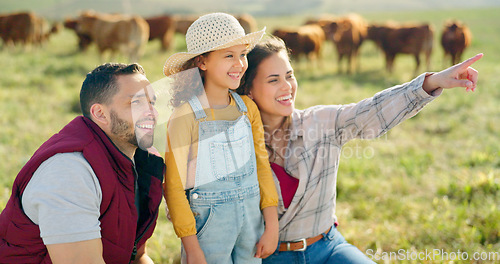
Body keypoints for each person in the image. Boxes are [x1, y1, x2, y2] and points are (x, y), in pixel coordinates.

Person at [237, 36, 482, 263]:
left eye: (289, 75)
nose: (287, 86)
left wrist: (432, 82)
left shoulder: (320, 122)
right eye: (273, 80)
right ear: (248, 88)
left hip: (328, 247)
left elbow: (372, 111)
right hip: (270, 257)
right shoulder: (236, 144)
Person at [0, 63, 165, 264]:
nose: (153, 114)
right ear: (100, 114)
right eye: (137, 103)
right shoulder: (69, 173)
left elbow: (138, 256)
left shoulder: (138, 163)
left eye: (152, 103)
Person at [162, 13, 279, 263]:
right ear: (202, 63)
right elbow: (173, 187)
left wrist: (272, 225)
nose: (239, 63)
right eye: (229, 56)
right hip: (208, 228)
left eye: (243, 54)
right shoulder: (185, 116)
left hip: (252, 224)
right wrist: (192, 248)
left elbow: (262, 166)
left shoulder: (247, 108)